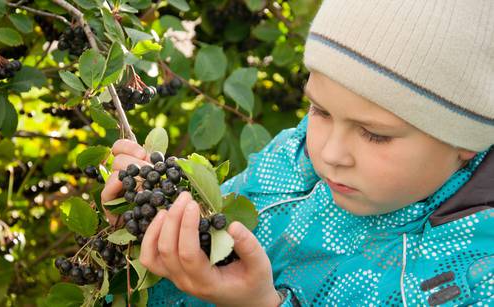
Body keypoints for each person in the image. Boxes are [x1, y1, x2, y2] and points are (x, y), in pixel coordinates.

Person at [101, 1, 494, 305]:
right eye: (320, 111)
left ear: (465, 139)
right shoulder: (295, 156)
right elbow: (213, 229)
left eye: (374, 135)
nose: (330, 153)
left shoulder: (472, 279)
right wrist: (151, 217)